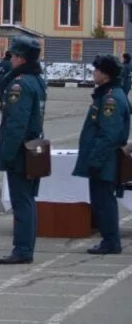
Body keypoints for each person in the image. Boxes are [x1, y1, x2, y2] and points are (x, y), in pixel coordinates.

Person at [0, 36, 46, 265]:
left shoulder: (20, 84)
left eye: (14, 55)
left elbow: (16, 122)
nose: (12, 58)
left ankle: (23, 249)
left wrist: (6, 154)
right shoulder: (36, 80)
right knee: (28, 200)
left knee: (21, 201)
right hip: (33, 146)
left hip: (21, 150)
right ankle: (25, 246)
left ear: (21, 58)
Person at [72, 55, 130, 255]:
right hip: (103, 158)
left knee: (104, 202)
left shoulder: (110, 98)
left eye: (96, 70)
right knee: (101, 201)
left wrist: (95, 160)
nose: (93, 73)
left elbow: (109, 134)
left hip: (105, 160)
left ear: (105, 74)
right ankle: (109, 240)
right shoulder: (106, 94)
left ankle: (111, 241)